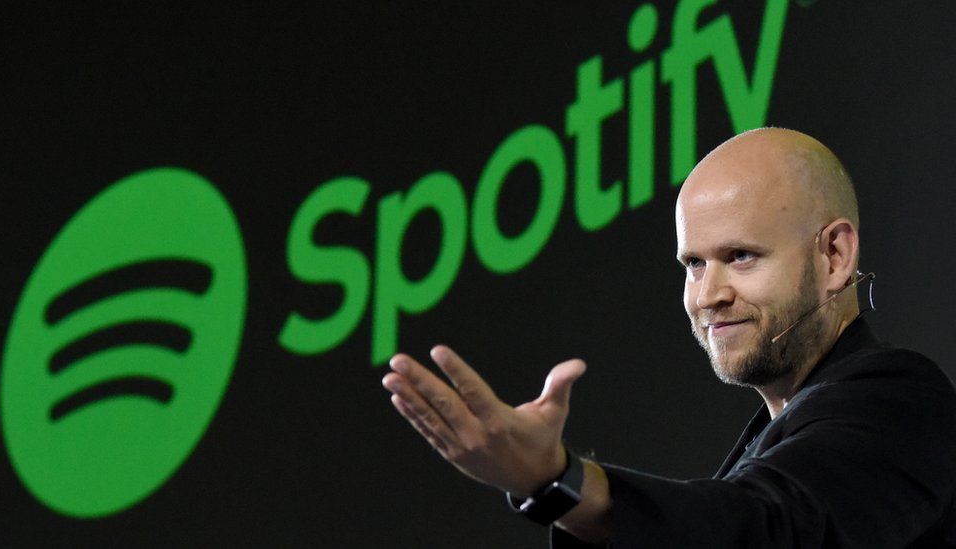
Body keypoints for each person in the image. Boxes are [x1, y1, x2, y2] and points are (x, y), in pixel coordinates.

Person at [380, 128, 956, 547]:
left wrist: (559, 479)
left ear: (834, 256)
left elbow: (768, 530)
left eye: (741, 257)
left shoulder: (904, 401)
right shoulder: (772, 445)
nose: (709, 295)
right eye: (694, 265)